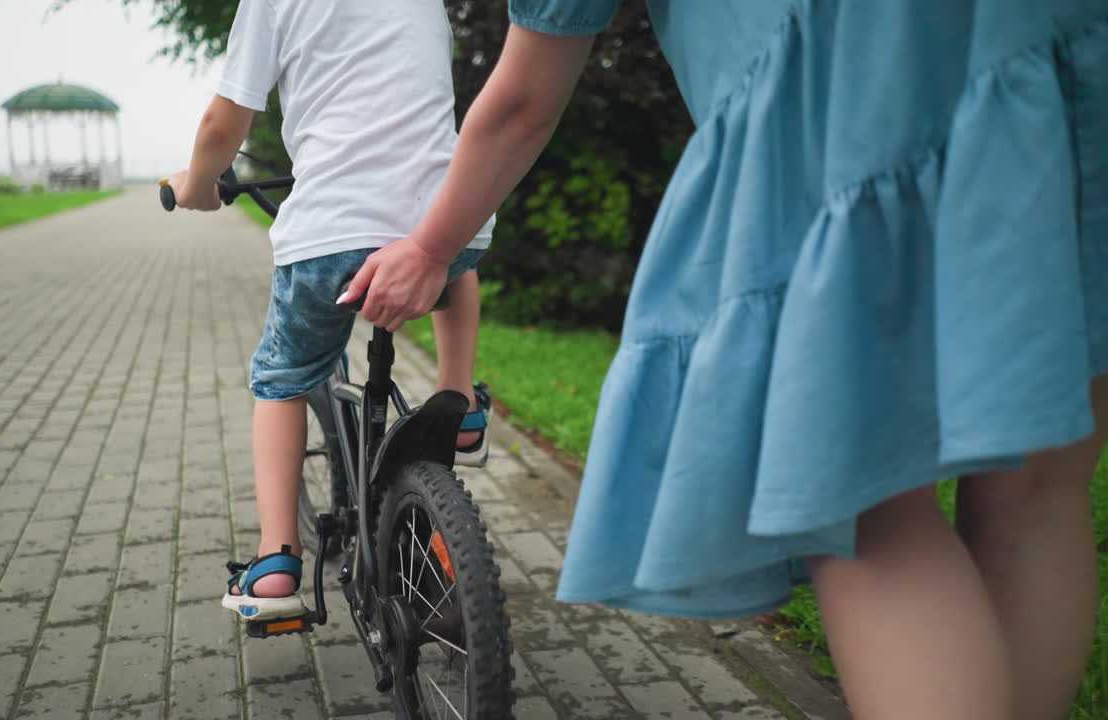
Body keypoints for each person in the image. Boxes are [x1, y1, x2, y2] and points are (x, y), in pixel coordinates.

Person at [341, 2, 1108, 718]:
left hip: (843, 102)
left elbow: (523, 100)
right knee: (1037, 491)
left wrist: (431, 247)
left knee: (868, 510)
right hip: (1061, 57)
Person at [168, 0, 495, 621]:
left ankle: (275, 560)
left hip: (334, 232)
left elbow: (223, 121)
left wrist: (197, 185)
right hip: (450, 218)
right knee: (459, 269)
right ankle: (461, 404)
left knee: (282, 377)